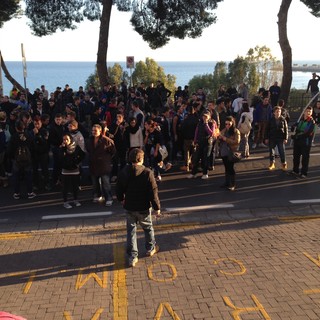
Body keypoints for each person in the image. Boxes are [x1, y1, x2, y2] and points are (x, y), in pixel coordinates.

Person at [116, 148, 160, 267]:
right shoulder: (147, 172)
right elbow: (153, 191)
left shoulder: (124, 171)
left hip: (130, 206)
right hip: (144, 207)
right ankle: (150, 248)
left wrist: (121, 199)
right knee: (148, 228)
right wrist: (157, 207)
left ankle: (132, 256)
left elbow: (119, 189)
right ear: (141, 159)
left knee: (131, 231)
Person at [85, 124, 116, 206]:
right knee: (95, 182)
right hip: (93, 164)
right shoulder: (89, 141)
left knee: (106, 183)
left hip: (104, 165)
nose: (93, 132)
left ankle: (108, 198)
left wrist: (106, 159)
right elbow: (88, 150)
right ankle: (97, 195)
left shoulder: (106, 140)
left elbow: (113, 151)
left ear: (100, 131)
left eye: (95, 131)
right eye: (92, 130)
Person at [6, 119, 36, 199]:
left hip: (17, 159)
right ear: (24, 127)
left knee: (16, 177)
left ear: (16, 128)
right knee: (28, 176)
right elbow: (33, 146)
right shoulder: (29, 135)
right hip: (27, 158)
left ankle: (16, 193)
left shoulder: (14, 137)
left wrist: (12, 157)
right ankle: (30, 192)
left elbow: (9, 149)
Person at [187, 110, 217, 179]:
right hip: (200, 141)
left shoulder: (212, 123)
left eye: (206, 116)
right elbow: (196, 131)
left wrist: (206, 124)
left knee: (206, 157)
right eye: (203, 116)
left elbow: (211, 133)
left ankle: (205, 173)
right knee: (197, 158)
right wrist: (195, 140)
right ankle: (193, 173)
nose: (204, 117)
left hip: (208, 142)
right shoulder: (199, 122)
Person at [59, 133, 86, 209]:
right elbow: (59, 158)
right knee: (65, 187)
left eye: (67, 139)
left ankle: (75, 200)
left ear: (70, 139)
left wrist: (77, 162)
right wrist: (63, 149)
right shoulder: (62, 148)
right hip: (65, 170)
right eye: (64, 139)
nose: (65, 141)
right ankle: (65, 202)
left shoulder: (76, 147)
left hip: (74, 169)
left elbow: (83, 155)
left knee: (75, 186)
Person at [290, 106, 316, 178]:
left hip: (305, 142)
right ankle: (295, 170)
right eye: (306, 111)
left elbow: (307, 133)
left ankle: (304, 172)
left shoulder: (312, 122)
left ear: (311, 113)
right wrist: (293, 127)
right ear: (304, 111)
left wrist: (296, 136)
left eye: (309, 112)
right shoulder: (301, 120)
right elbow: (296, 127)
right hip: (298, 141)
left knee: (305, 158)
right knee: (296, 156)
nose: (307, 113)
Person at [218, 116, 240, 191]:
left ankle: (233, 184)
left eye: (229, 124)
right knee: (226, 168)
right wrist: (219, 137)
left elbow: (237, 141)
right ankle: (227, 182)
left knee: (231, 168)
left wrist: (226, 139)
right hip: (224, 151)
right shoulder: (224, 130)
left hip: (231, 151)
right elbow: (219, 135)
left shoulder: (236, 131)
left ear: (232, 123)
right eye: (226, 124)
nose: (227, 125)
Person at [265, 106, 288, 171]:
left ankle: (284, 163)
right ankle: (272, 163)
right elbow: (267, 129)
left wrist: (285, 138)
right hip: (272, 137)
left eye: (279, 112)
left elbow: (286, 129)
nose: (278, 113)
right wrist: (266, 138)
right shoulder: (271, 120)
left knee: (282, 151)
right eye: (277, 112)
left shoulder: (283, 120)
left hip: (280, 137)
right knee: (271, 151)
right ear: (274, 113)